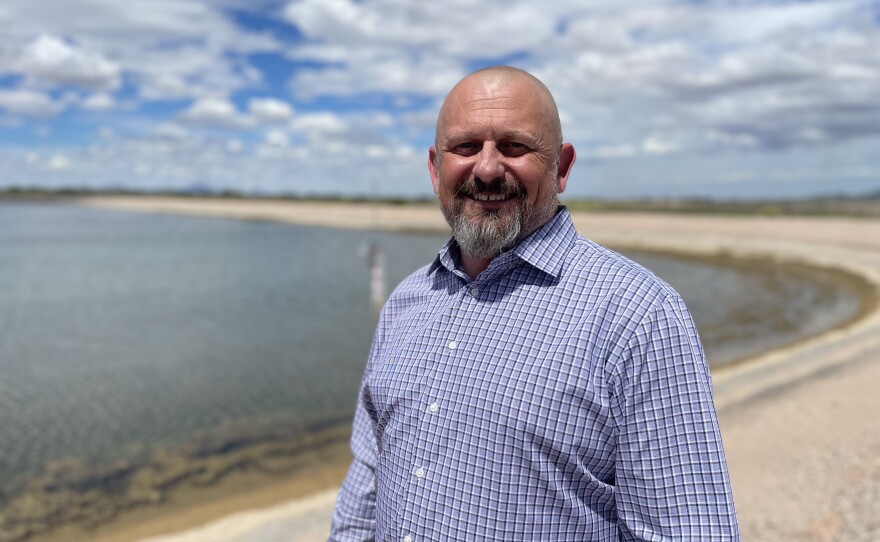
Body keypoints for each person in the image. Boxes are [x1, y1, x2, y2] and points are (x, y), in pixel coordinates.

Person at [329, 66, 740, 541]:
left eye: (514, 147)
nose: (486, 169)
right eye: (465, 147)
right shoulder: (407, 301)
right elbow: (367, 484)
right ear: (435, 168)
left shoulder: (638, 314)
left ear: (561, 168)